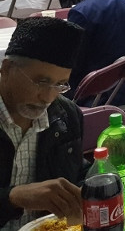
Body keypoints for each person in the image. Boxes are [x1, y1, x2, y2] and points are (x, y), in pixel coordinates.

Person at [0, 17, 85, 230]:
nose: (47, 97)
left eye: (60, 84)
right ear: (6, 69)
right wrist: (12, 198)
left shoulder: (65, 115)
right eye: (41, 82)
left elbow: (75, 172)